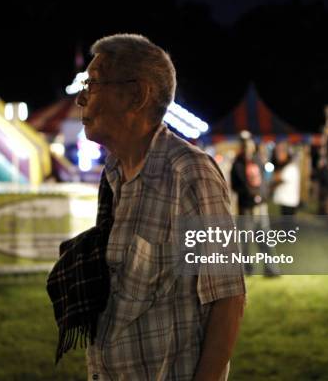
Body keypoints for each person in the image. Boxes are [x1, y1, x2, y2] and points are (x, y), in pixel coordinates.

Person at [75, 34, 245, 380]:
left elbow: (227, 300)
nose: (82, 98)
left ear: (137, 94)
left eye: (93, 83)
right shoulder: (114, 175)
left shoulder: (189, 173)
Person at [230, 131, 279, 276]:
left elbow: (264, 181)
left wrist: (261, 195)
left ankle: (271, 269)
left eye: (248, 143)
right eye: (243, 144)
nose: (246, 146)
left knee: (265, 238)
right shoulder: (237, 163)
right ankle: (246, 269)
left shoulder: (258, 160)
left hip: (260, 206)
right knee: (245, 241)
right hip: (246, 207)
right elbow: (235, 186)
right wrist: (250, 194)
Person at [271, 141, 300, 218]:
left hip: (288, 202)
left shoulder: (290, 167)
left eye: (280, 152)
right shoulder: (285, 166)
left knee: (287, 227)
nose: (277, 155)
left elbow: (278, 179)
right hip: (284, 202)